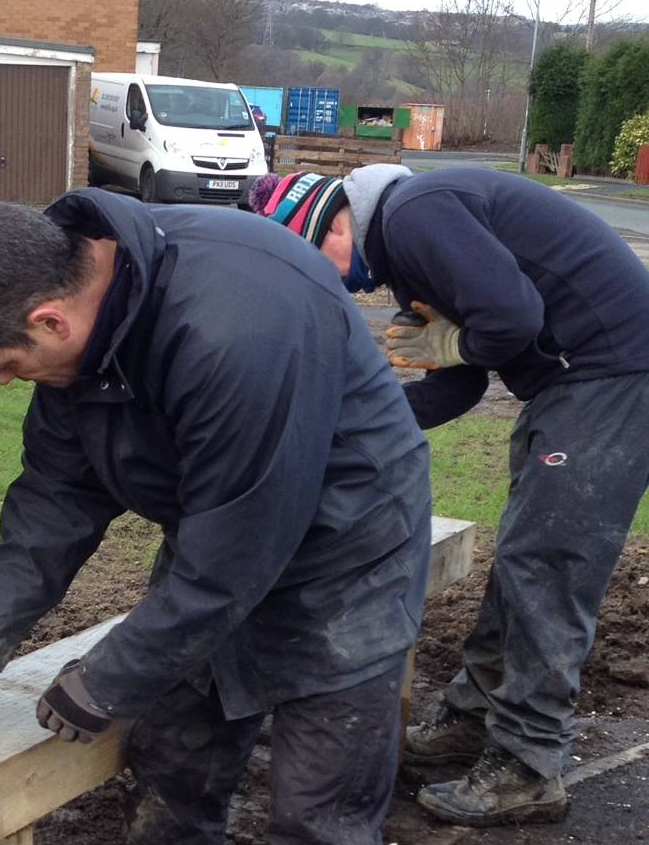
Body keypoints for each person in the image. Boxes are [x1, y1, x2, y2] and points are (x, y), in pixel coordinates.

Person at [0, 187, 433, 845]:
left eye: (5, 366)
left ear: (49, 322)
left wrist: (107, 677)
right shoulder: (83, 332)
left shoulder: (233, 327)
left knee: (317, 813)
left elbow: (239, 552)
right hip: (217, 535)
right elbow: (55, 497)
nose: (9, 382)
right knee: (174, 761)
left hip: (347, 555)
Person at [249, 166, 649, 826]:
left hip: (615, 374)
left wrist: (459, 341)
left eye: (311, 261)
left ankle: (528, 765)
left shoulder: (415, 214)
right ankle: (475, 719)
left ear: (330, 223)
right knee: (526, 553)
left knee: (547, 563)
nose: (325, 284)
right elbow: (457, 385)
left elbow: (512, 320)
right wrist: (347, 432)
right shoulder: (409, 252)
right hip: (576, 384)